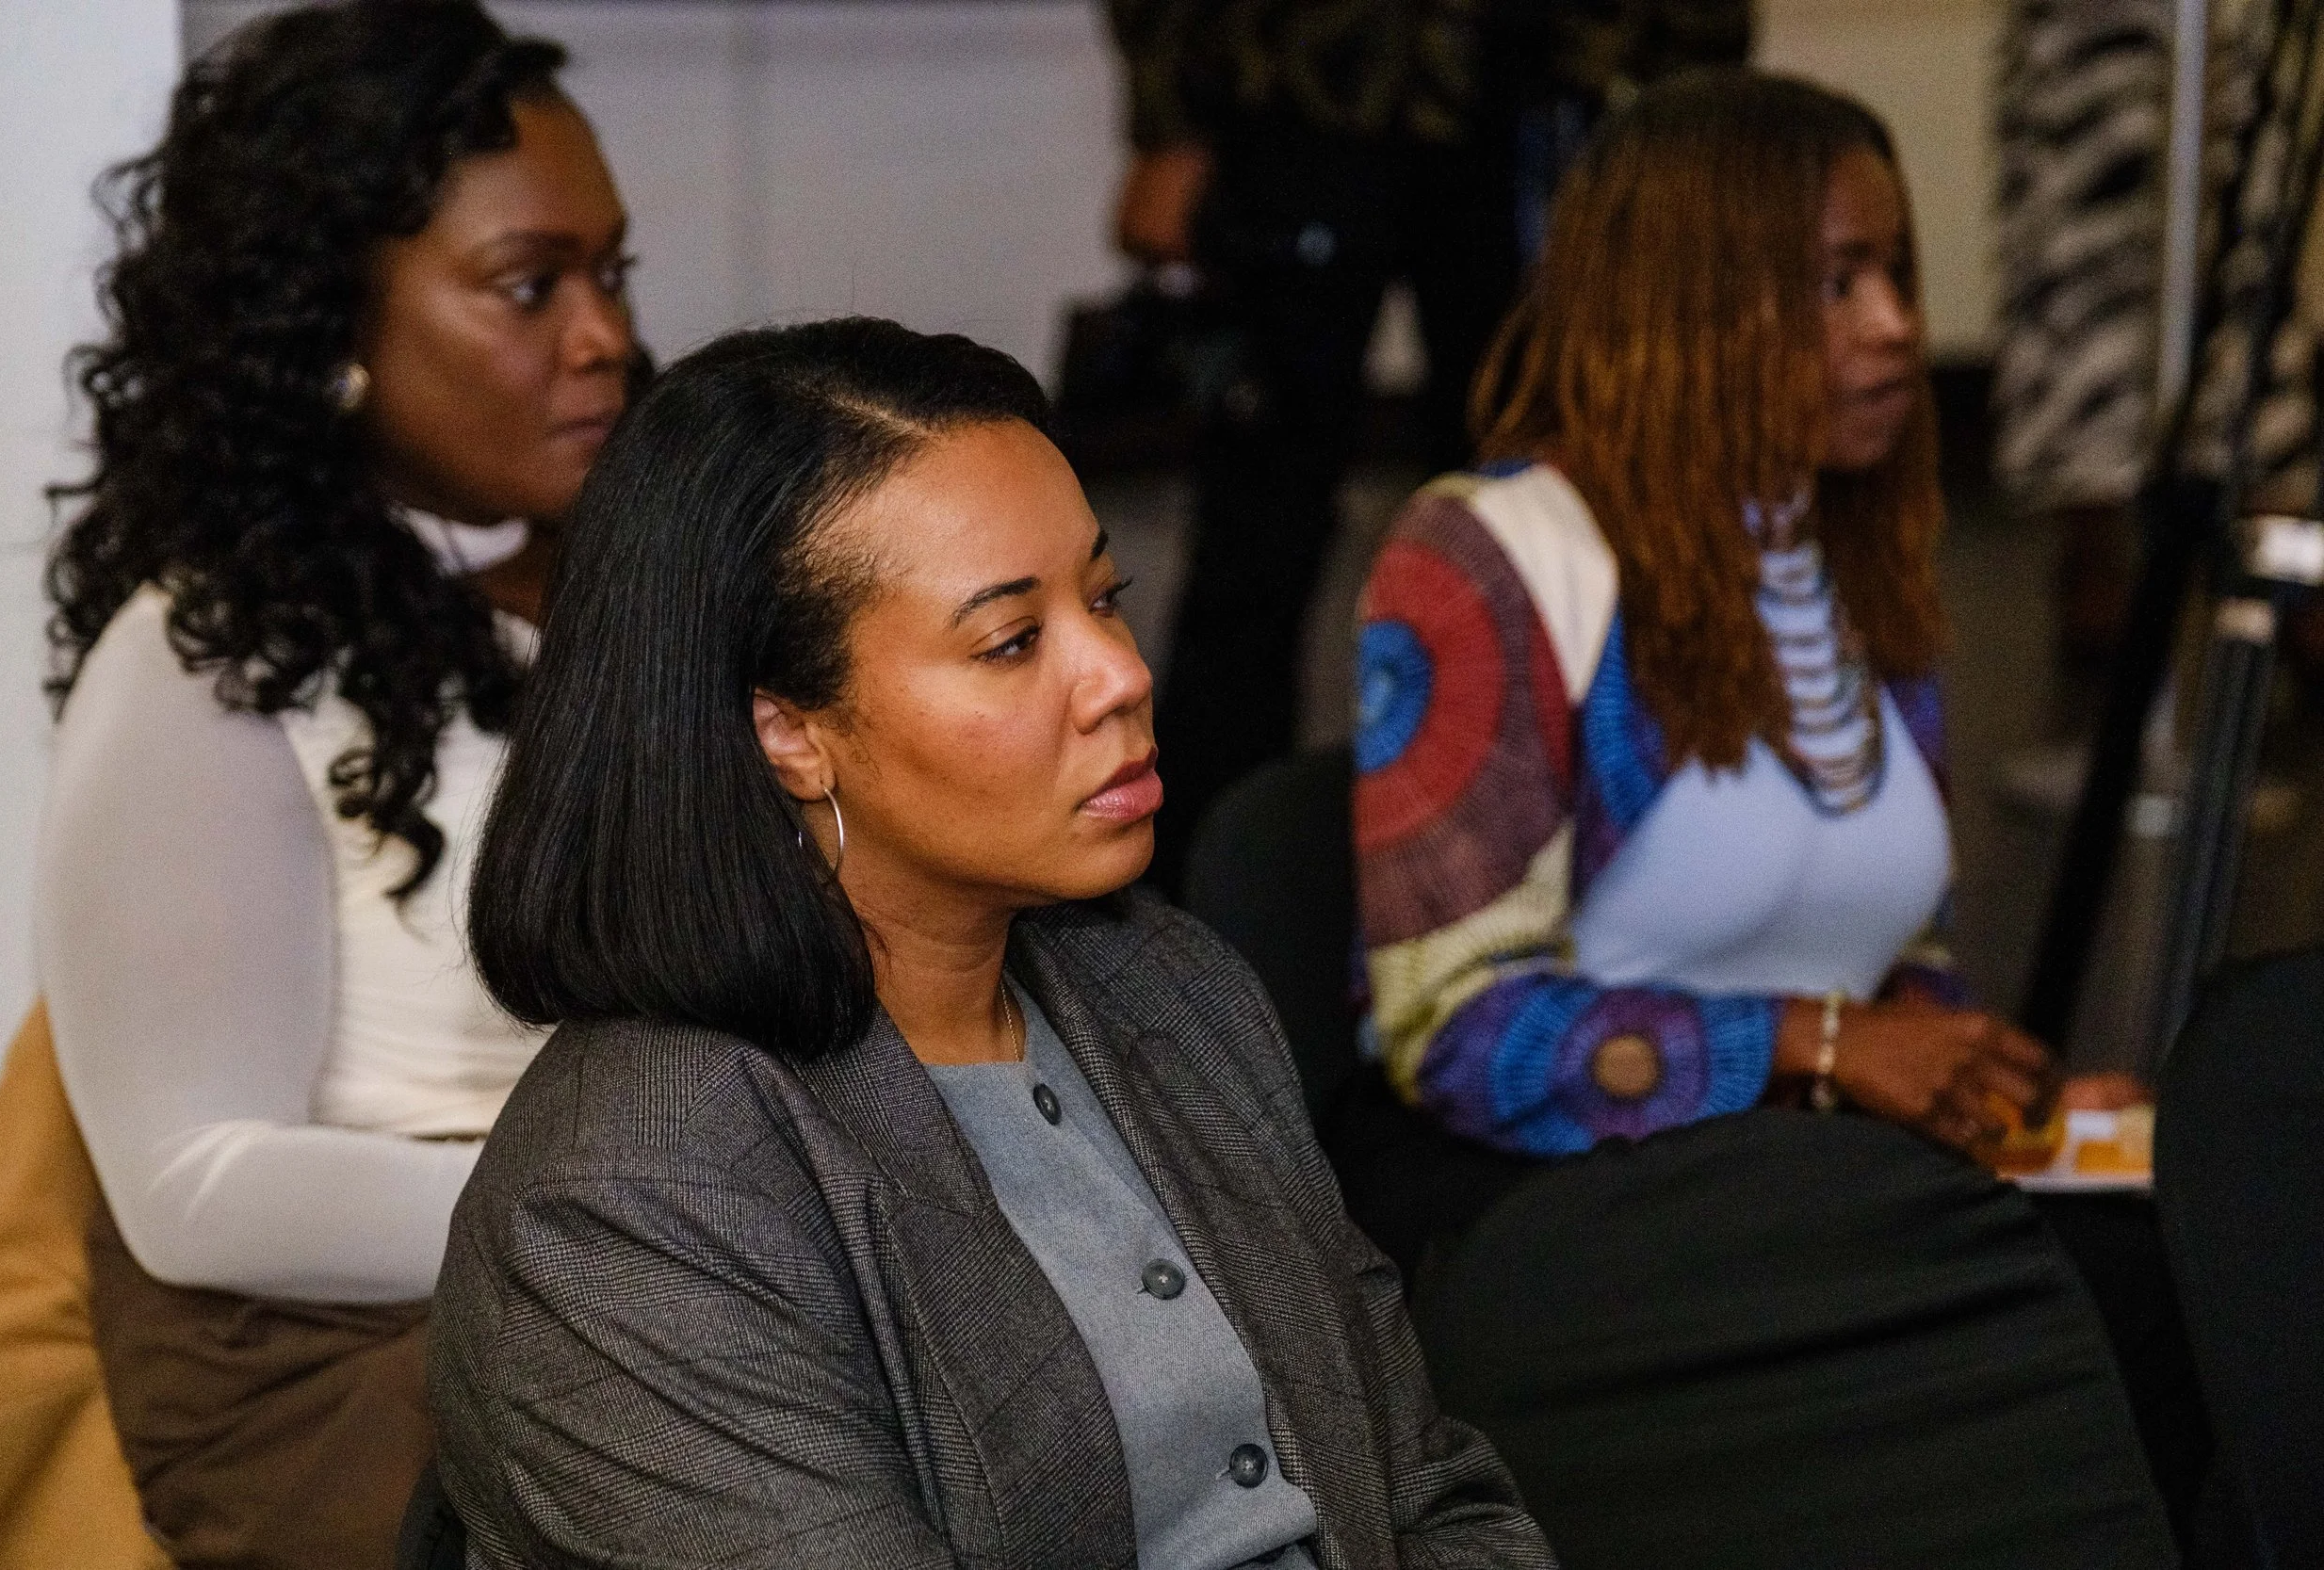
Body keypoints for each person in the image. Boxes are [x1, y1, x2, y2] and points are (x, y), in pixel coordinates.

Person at [431, 318, 1558, 1570]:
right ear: (788, 730)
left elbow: (1435, 1493)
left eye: (1105, 598)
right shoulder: (630, 1194)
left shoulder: (1166, 983)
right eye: (1012, 640)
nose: (1119, 674)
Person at [1349, 72, 2178, 1564]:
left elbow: (1886, 938)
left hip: (1795, 1171)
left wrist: (1990, 1087)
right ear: (1685, 305)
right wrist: (1826, 1048)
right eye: (1833, 285)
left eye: (1898, 275)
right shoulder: (1485, 558)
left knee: (2172, 1247)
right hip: (1568, 1222)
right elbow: (1451, 1032)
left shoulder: (1849, 544)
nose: (1897, 328)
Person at [31, 3, 636, 1563]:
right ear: (333, 332)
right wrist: (664, 1217)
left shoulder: (635, 587)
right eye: (530, 286)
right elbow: (195, 1186)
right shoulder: (205, 654)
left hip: (633, 1286)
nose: (604, 337)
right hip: (334, 1355)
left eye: (612, 273)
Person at [1107, 0, 1754, 893]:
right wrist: (1168, 125)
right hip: (1299, 91)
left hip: (1535, 88)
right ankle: (1190, 898)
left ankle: (1551, 845)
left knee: (1547, 516)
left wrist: (1694, 103)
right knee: (1257, 534)